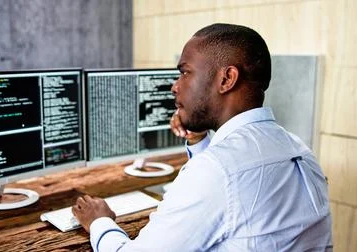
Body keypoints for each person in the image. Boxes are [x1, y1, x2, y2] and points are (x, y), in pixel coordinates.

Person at [72, 23, 333, 251]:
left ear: (227, 79)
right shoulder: (300, 152)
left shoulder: (216, 171)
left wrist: (99, 222)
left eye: (185, 72)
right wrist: (198, 140)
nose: (175, 86)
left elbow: (221, 180)